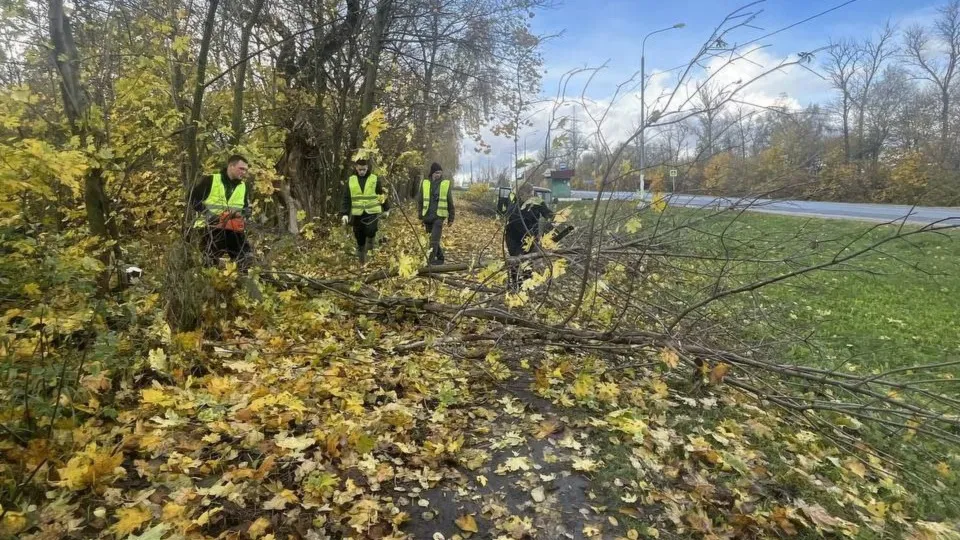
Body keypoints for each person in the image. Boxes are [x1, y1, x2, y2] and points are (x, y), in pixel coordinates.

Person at [190, 154, 253, 272]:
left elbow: (245, 208)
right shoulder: (211, 180)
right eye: (241, 169)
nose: (244, 172)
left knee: (244, 254)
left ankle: (243, 276)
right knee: (209, 259)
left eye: (245, 170)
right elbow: (192, 199)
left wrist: (244, 215)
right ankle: (209, 273)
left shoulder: (243, 187)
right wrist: (209, 214)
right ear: (231, 166)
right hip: (209, 227)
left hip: (233, 229)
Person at [504, 182, 554, 290]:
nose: (531, 197)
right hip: (514, 237)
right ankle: (515, 285)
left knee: (529, 261)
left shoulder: (537, 202)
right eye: (528, 195)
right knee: (516, 261)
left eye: (532, 194)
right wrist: (531, 235)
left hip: (531, 237)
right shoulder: (514, 206)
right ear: (521, 195)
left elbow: (548, 213)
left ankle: (527, 285)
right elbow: (516, 224)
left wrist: (553, 219)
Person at [340, 158, 389, 264]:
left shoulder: (374, 179)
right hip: (357, 213)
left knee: (371, 231)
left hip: (372, 212)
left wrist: (386, 209)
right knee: (359, 236)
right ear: (356, 168)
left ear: (367, 168)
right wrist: (344, 214)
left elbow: (381, 194)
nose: (362, 171)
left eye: (364, 169)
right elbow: (346, 198)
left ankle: (369, 258)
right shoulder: (351, 180)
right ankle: (361, 261)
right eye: (360, 169)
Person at [418, 162, 455, 265]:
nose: (439, 175)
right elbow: (420, 201)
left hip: (439, 217)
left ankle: (429, 262)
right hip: (427, 216)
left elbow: (450, 202)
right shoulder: (425, 183)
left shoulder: (445, 184)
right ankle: (440, 258)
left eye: (440, 173)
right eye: (437, 172)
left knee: (434, 240)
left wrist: (451, 218)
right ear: (432, 173)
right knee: (431, 239)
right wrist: (420, 216)